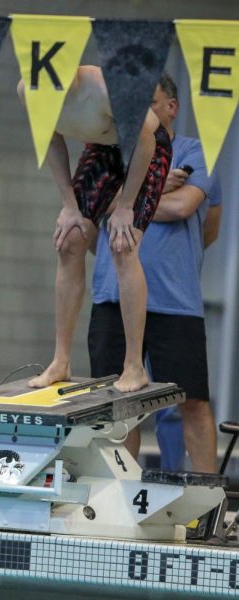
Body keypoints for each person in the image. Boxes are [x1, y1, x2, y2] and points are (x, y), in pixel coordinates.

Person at [89, 73, 219, 472]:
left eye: (149, 103)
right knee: (117, 405)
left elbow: (185, 208)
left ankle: (207, 502)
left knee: (192, 401)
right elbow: (95, 204)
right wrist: (158, 186)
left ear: (171, 107)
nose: (138, 113)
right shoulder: (112, 151)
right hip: (113, 294)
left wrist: (128, 199)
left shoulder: (195, 150)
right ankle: (121, 498)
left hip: (174, 299)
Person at [18, 65, 172, 392]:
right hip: (103, 150)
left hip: (147, 148)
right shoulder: (26, 90)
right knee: (69, 240)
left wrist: (126, 206)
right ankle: (60, 360)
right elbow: (50, 141)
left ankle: (133, 366)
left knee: (123, 244)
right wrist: (69, 205)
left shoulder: (103, 87)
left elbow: (146, 136)